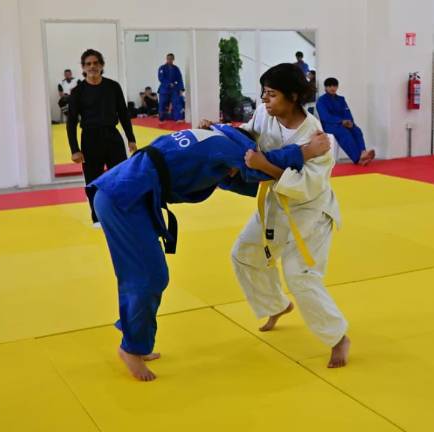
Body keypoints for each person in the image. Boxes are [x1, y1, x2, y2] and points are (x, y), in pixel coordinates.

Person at [90, 124, 331, 381]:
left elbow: (230, 180)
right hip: (124, 200)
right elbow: (260, 163)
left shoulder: (212, 139)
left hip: (124, 194)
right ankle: (131, 348)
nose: (232, 171)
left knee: (144, 275)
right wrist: (306, 151)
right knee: (148, 277)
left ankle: (137, 340)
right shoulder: (229, 148)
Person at [202, 63, 351, 368]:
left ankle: (338, 337)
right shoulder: (264, 115)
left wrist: (264, 166)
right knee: (244, 253)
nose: (265, 100)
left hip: (311, 212)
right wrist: (218, 132)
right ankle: (276, 305)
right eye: (264, 94)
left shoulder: (318, 138)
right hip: (275, 205)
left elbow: (306, 185)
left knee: (300, 276)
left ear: (293, 96)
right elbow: (248, 137)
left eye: (271, 94)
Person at [67, 49, 136, 226]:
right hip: (90, 139)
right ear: (83, 67)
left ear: (102, 65)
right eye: (88, 64)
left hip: (112, 136)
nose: (92, 67)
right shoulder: (78, 91)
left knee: (120, 177)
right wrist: (75, 149)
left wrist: (131, 139)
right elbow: (72, 121)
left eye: (96, 63)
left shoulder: (113, 87)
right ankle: (97, 216)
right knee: (93, 180)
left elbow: (123, 114)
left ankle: (121, 211)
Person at [316, 77, 375, 165]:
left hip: (344, 123)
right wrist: (341, 121)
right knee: (344, 133)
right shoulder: (321, 101)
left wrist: (350, 122)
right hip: (330, 125)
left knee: (356, 130)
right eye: (330, 86)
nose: (333, 88)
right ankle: (357, 159)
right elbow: (325, 117)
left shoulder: (341, 99)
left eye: (335, 86)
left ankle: (363, 153)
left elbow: (347, 112)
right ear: (325, 88)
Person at [157, 53, 185, 121]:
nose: (169, 60)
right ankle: (161, 118)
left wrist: (181, 89)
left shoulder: (176, 68)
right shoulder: (162, 68)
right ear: (166, 59)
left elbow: (179, 79)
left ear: (173, 59)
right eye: (168, 59)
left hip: (174, 89)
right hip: (164, 89)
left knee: (176, 103)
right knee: (162, 104)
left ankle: (177, 118)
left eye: (171, 59)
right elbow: (161, 78)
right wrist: (169, 84)